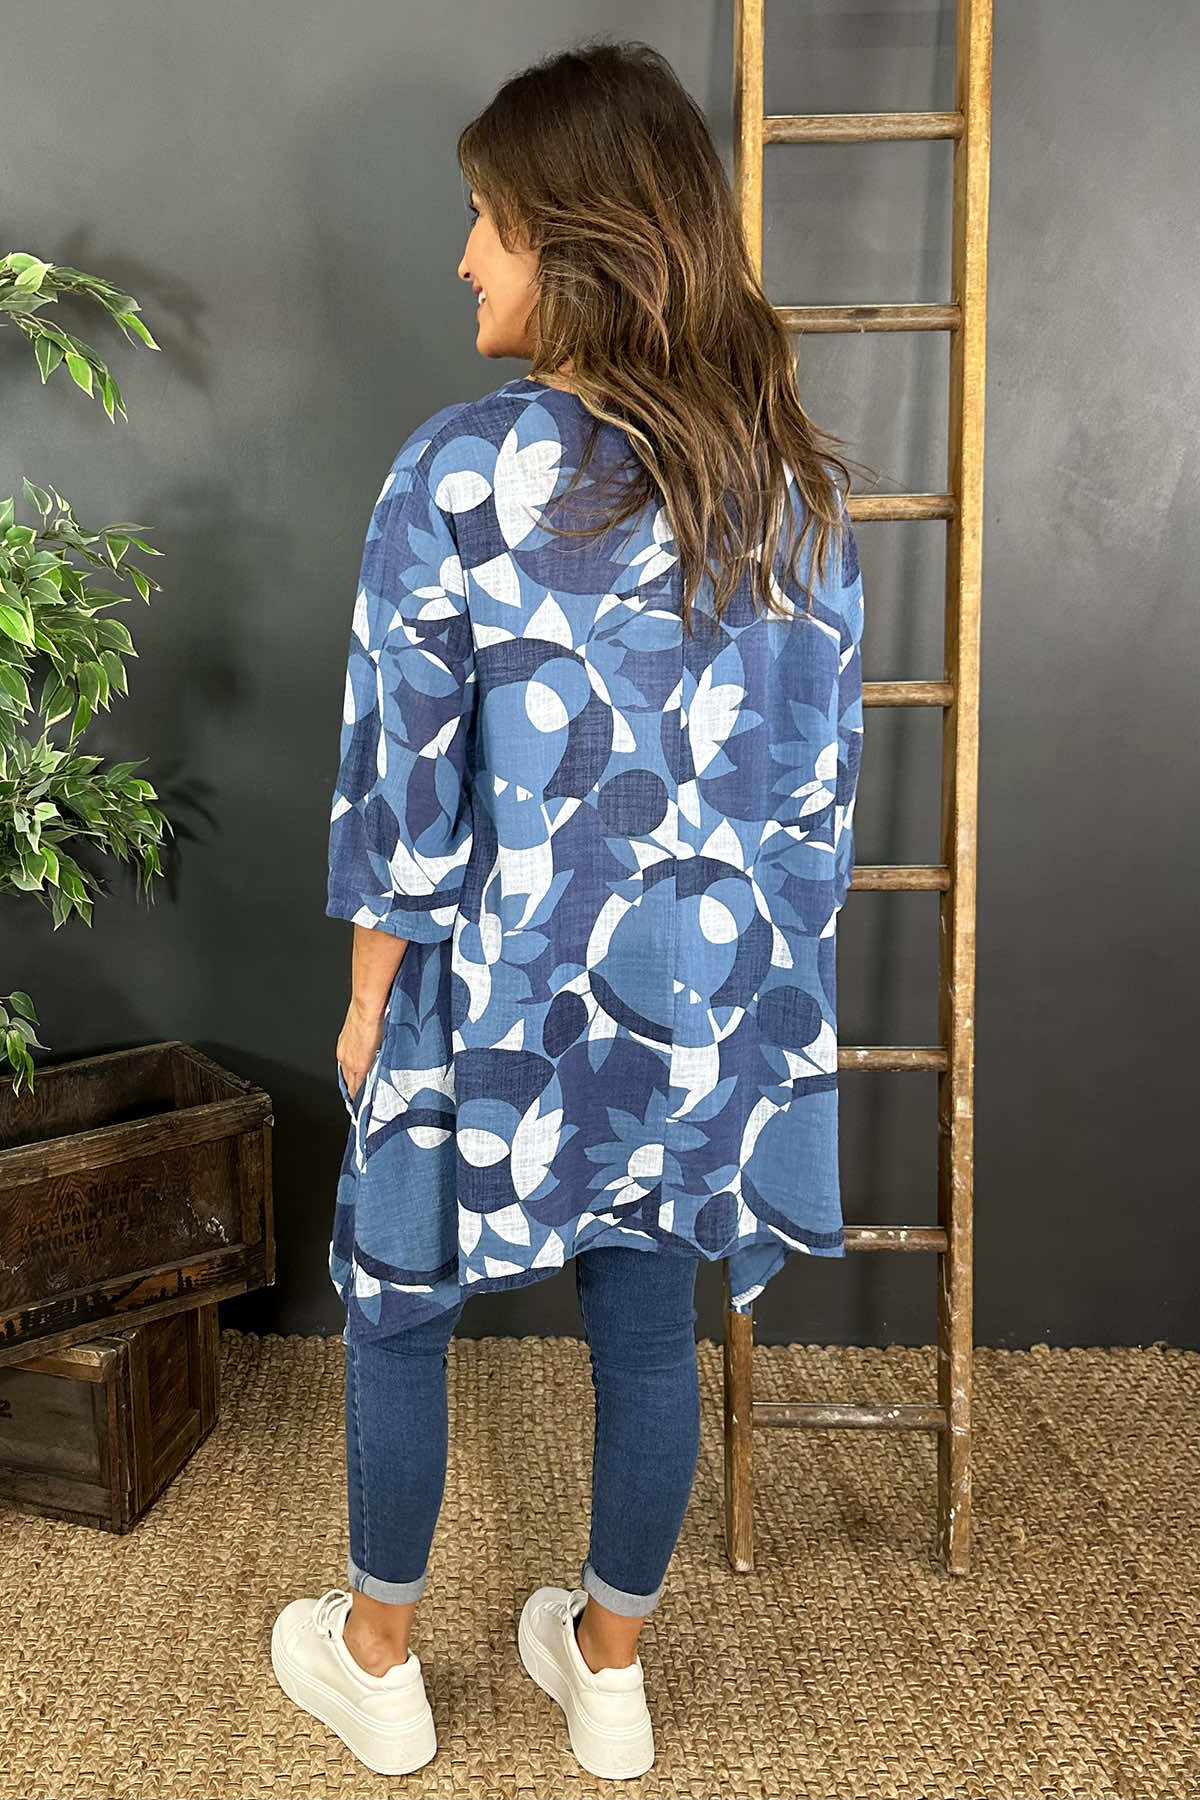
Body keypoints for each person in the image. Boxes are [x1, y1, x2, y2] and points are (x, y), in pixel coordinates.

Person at [271, 36, 867, 1782]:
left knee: (398, 1298)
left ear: (578, 238)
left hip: (486, 978)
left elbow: (404, 790)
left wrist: (369, 1000)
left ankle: (378, 1661)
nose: (464, 255)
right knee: (647, 1328)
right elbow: (816, 801)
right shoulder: (794, 488)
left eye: (489, 219)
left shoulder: (457, 475)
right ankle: (608, 1671)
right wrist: (755, 1002)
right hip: (699, 985)